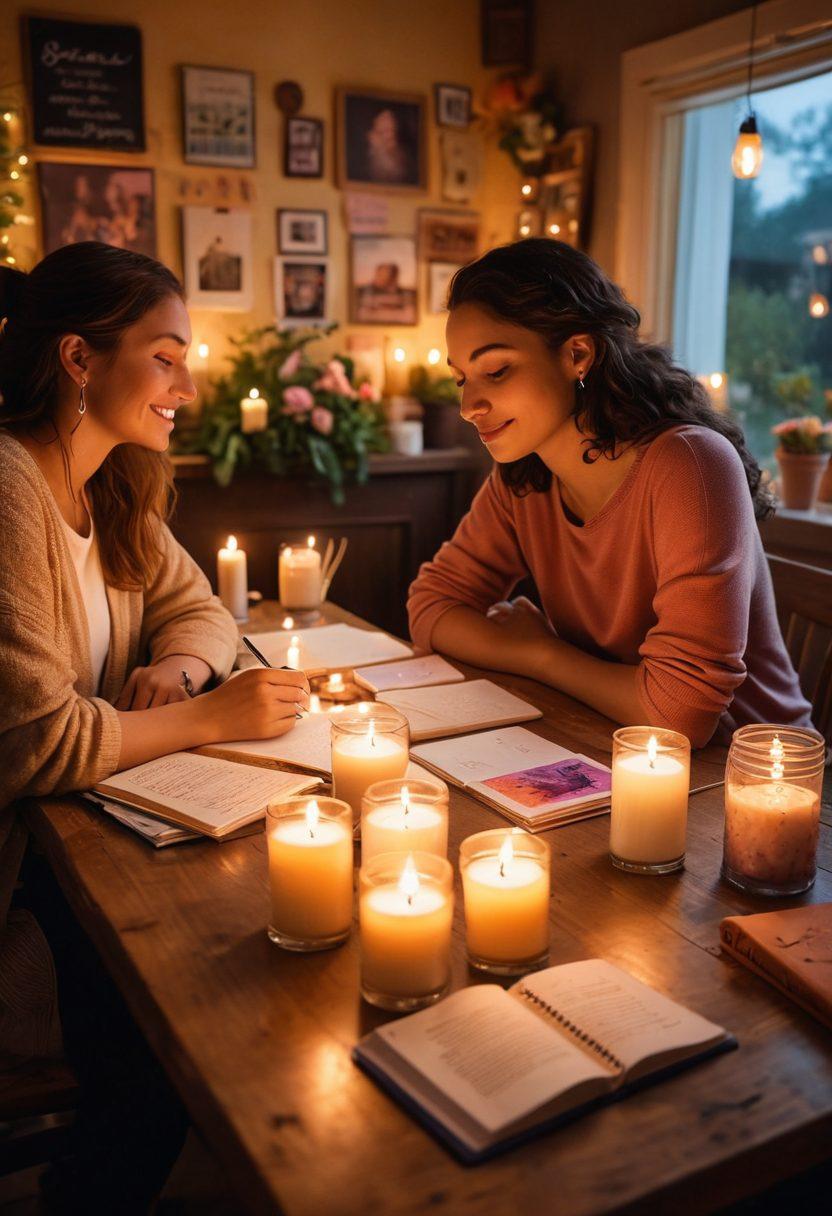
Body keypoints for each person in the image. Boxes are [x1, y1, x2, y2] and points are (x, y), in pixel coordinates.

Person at [0, 240, 309, 1211]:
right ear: (78, 358)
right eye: (164, 354)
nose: (186, 381)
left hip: (94, 828)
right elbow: (36, 739)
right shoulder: (9, 485)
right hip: (22, 873)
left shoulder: (114, 485)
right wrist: (210, 712)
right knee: (193, 1025)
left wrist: (178, 666)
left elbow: (205, 611)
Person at [408, 238, 812, 749]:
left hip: (754, 779)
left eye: (497, 370)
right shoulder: (525, 477)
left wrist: (542, 654)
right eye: (461, 378)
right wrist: (543, 658)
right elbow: (432, 607)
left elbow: (679, 715)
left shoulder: (690, 465)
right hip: (612, 744)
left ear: (577, 354)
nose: (469, 405)